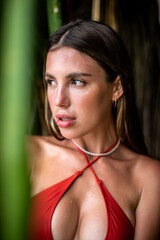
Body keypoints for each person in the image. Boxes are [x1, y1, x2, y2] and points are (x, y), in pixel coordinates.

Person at [28, 19, 160, 240]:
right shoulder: (29, 154)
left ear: (116, 88)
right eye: (51, 82)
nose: (58, 100)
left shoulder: (149, 179)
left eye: (77, 82)